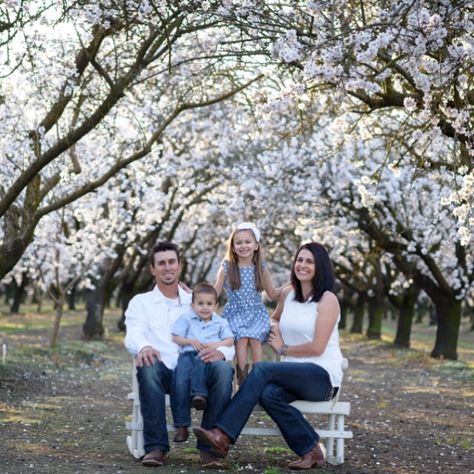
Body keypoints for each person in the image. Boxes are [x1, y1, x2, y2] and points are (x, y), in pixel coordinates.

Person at [194, 242, 344, 470]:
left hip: (321, 377)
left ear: (320, 267)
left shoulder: (327, 299)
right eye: (300, 260)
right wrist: (272, 328)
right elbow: (273, 319)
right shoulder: (289, 294)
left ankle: (222, 434)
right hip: (292, 376)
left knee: (262, 369)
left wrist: (283, 348)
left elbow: (317, 347)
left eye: (309, 261)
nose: (302, 265)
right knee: (266, 393)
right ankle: (311, 449)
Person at [124, 242, 235, 469]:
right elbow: (133, 333)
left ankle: (210, 450)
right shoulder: (141, 302)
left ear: (180, 266)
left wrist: (221, 352)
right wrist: (144, 346)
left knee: (224, 370)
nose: (167, 267)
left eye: (171, 262)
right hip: (162, 370)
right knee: (148, 366)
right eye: (161, 263)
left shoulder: (196, 301)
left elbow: (222, 332)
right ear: (153, 269)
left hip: (198, 369)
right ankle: (156, 447)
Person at [214, 222, 281, 386]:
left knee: (255, 339)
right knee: (242, 338)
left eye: (248, 242)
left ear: (256, 245)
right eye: (239, 243)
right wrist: (193, 295)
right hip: (235, 313)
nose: (243, 246)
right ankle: (242, 379)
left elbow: (272, 294)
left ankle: (259, 377)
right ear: (233, 247)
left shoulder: (260, 268)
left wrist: (292, 284)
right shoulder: (227, 267)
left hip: (256, 313)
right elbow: (214, 292)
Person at [171, 282, 234, 440]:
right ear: (192, 305)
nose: (205, 307)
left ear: (216, 305)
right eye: (200, 304)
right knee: (180, 380)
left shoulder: (220, 322)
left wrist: (216, 345)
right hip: (188, 355)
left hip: (209, 357)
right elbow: (175, 337)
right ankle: (181, 425)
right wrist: (190, 342)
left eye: (209, 304)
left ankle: (199, 396)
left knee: (209, 365)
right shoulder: (186, 319)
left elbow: (230, 340)